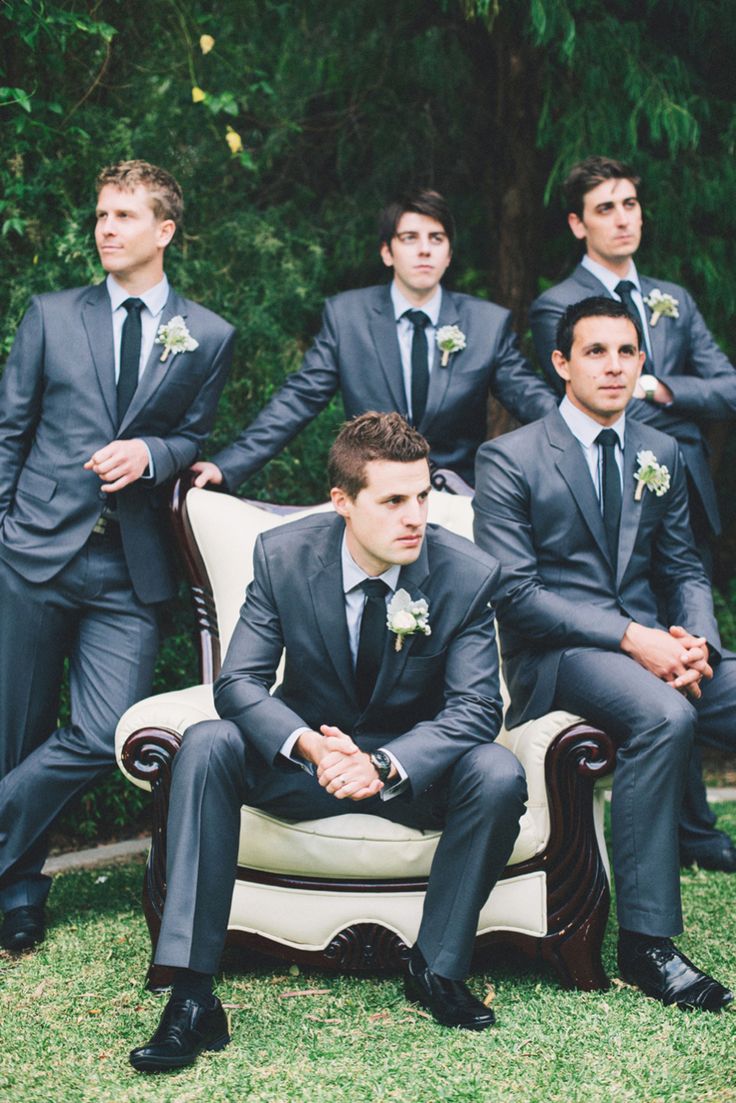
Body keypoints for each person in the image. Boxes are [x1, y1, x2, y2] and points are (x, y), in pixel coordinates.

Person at [130, 412, 528, 1071]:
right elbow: (240, 683)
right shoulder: (282, 555)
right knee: (206, 741)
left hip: (411, 775)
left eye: (424, 496)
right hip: (305, 765)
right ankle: (193, 996)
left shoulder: (466, 574)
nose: (415, 516)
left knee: (496, 770)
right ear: (342, 501)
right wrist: (312, 747)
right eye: (394, 500)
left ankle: (437, 967)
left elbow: (476, 708)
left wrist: (385, 762)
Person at [473, 297, 735, 1014]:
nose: (615, 366)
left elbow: (684, 568)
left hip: (657, 646)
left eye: (627, 352)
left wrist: (696, 641)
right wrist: (633, 638)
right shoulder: (511, 458)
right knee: (662, 717)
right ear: (562, 363)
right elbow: (516, 594)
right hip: (558, 657)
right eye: (596, 351)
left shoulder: (663, 451)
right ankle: (647, 944)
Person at [0, 160, 235, 952]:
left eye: (125, 216)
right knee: (19, 731)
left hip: (129, 570)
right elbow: (10, 432)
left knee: (107, 731)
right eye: (101, 214)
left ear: (164, 231)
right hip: (33, 553)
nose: (106, 228)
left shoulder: (207, 334)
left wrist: (152, 454)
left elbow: (192, 436)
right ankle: (21, 891)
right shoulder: (51, 316)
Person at [528, 155, 736, 871]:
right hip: (587, 534)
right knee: (659, 687)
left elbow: (727, 385)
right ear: (578, 223)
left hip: (670, 489)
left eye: (631, 203)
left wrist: (659, 388)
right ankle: (689, 836)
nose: (625, 217)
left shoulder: (670, 296)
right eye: (607, 206)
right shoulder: (559, 302)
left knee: (686, 634)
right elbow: (575, 414)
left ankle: (694, 828)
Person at [192, 188, 558, 492]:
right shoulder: (347, 317)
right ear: (387, 252)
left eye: (437, 239)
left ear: (449, 254)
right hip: (371, 497)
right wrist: (227, 466)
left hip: (457, 500)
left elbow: (528, 395)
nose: (424, 249)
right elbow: (298, 400)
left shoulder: (486, 324)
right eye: (409, 238)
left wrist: (586, 429)